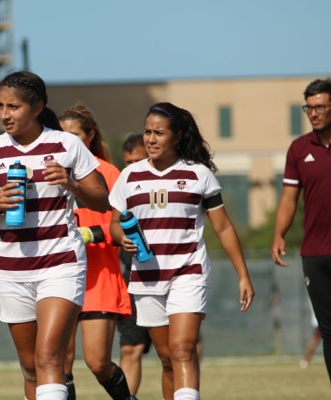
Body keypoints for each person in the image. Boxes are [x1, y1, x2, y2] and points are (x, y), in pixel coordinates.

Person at [0, 71, 109, 400]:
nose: (4, 114)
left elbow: (102, 201)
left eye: (13, 106)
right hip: (12, 268)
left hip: (61, 263)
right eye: (0, 106)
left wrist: (70, 183)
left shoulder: (66, 144)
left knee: (48, 357)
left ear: (37, 106)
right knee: (30, 366)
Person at [109, 102, 255, 400]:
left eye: (159, 133)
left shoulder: (199, 175)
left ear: (176, 136)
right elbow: (113, 224)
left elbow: (223, 227)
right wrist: (121, 236)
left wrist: (243, 275)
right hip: (146, 279)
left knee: (183, 349)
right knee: (166, 359)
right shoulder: (129, 176)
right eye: (147, 132)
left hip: (188, 272)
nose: (150, 139)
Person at [58, 104, 133, 400]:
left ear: (90, 136)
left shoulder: (109, 173)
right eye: (62, 134)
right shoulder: (51, 169)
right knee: (60, 362)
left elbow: (118, 226)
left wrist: (87, 233)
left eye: (74, 135)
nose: (67, 140)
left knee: (97, 362)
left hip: (98, 278)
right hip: (59, 273)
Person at [271, 78, 331, 383]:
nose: (314, 113)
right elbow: (288, 198)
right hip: (315, 253)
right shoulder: (298, 149)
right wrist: (278, 233)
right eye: (309, 107)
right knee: (328, 331)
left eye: (320, 106)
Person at [117, 133, 153, 398]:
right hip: (133, 281)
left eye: (138, 161)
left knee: (174, 353)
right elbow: (112, 224)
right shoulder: (121, 188)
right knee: (130, 349)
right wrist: (120, 237)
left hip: (172, 278)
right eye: (127, 162)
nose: (132, 167)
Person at [300, 300, 322, 370]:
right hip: (321, 320)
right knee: (315, 339)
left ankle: (306, 360)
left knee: (316, 339)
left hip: (321, 319)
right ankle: (306, 360)